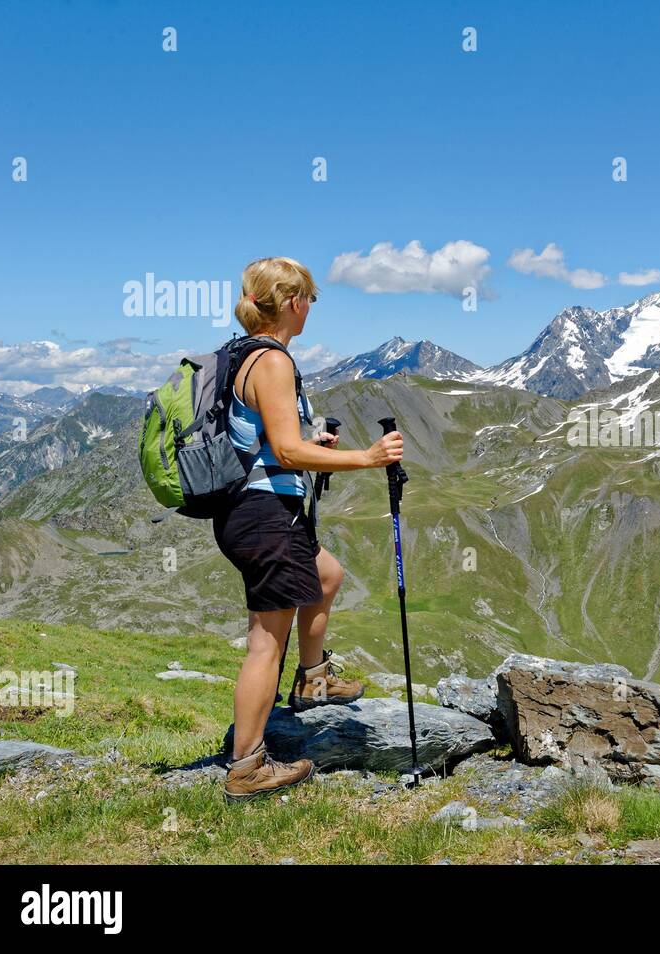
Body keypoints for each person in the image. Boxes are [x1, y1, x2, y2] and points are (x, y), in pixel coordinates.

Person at [216, 257, 404, 803]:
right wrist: (365, 458)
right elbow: (285, 449)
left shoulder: (244, 356)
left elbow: (275, 444)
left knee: (326, 575)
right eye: (310, 300)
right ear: (294, 301)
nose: (311, 309)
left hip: (264, 509)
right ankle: (247, 766)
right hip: (263, 514)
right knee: (264, 642)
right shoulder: (271, 361)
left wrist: (309, 452)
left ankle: (313, 678)